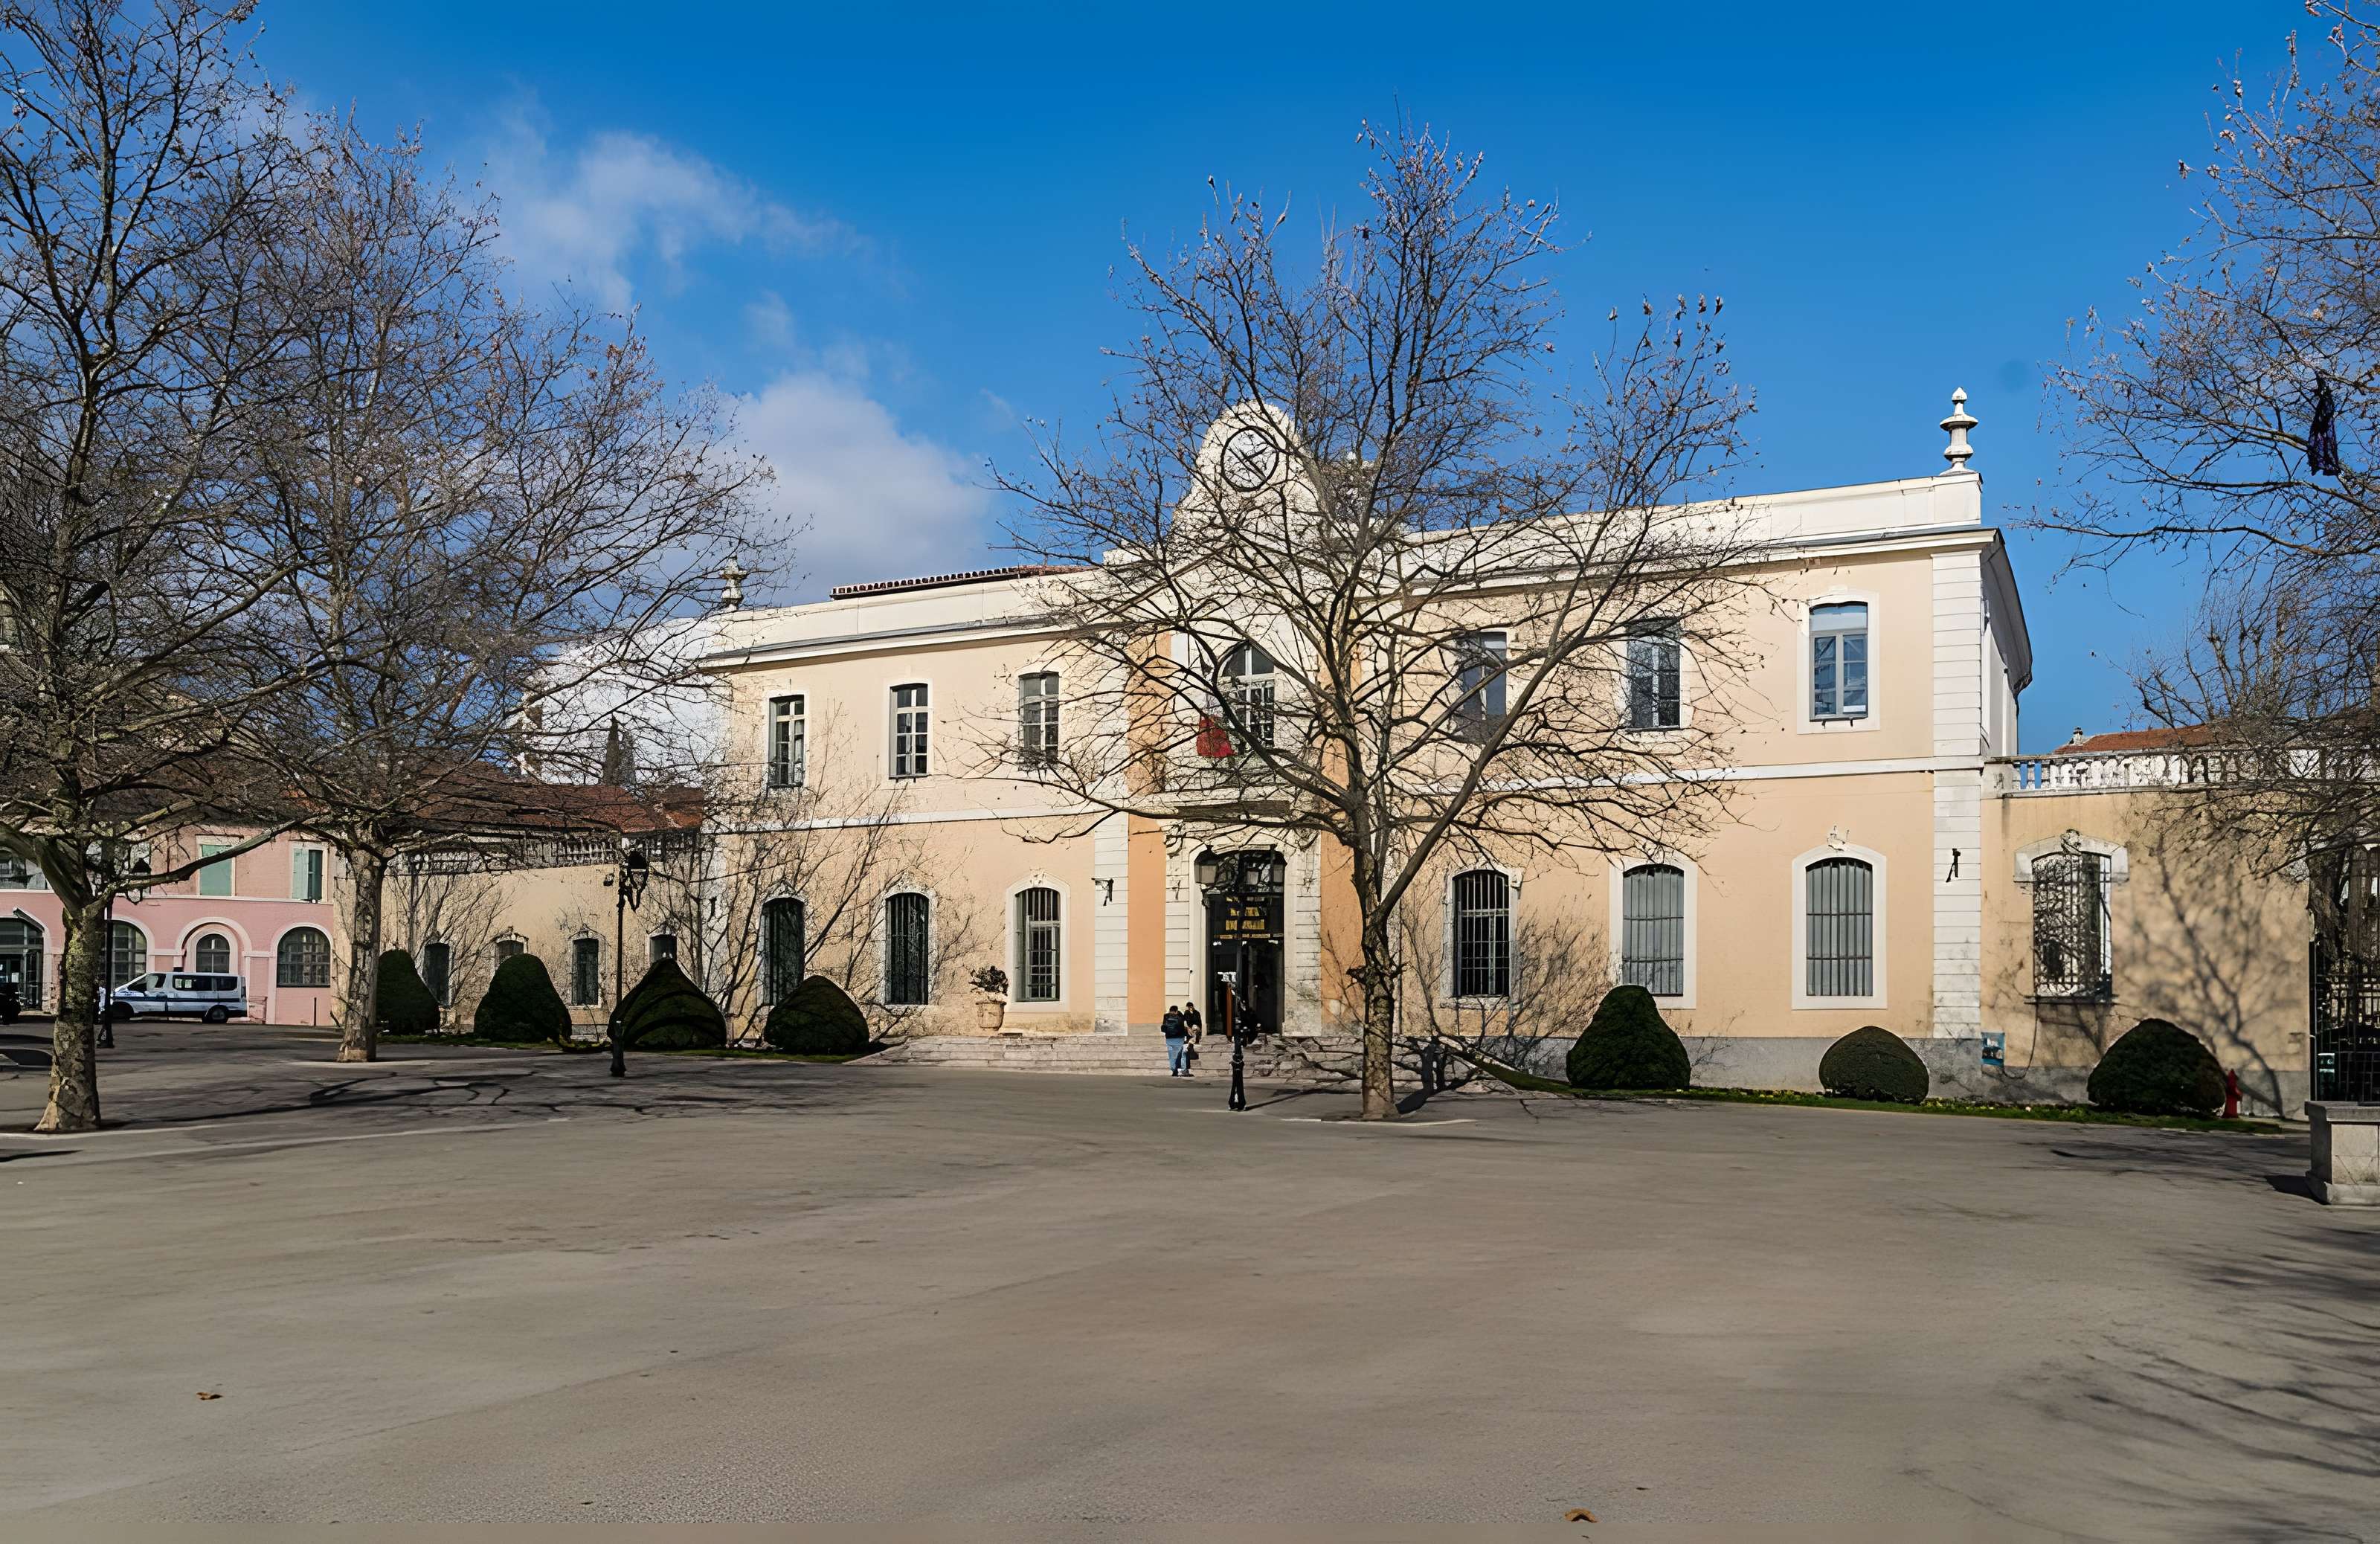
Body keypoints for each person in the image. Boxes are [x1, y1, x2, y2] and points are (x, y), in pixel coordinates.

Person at [1161, 1003, 1189, 1076]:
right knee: (1180, 1055)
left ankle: (1173, 1069)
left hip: (1169, 1039)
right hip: (1179, 1039)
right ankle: (1182, 1069)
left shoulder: (1166, 1016)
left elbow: (1164, 1027)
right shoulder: (1180, 1017)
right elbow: (1184, 1022)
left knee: (1171, 1055)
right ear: (1176, 1011)